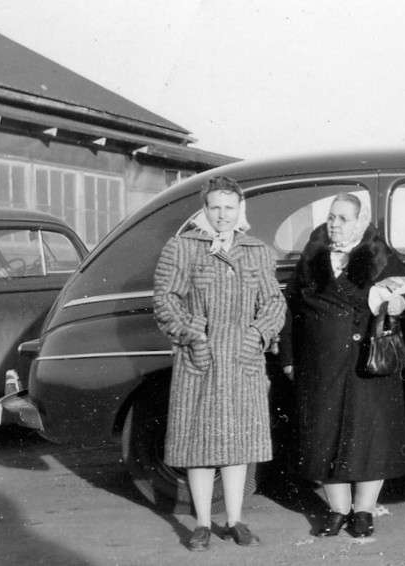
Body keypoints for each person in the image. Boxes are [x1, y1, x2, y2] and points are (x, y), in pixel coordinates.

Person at [152, 175, 287, 551]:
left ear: (240, 209)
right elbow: (165, 300)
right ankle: (200, 523)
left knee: (238, 444)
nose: (222, 215)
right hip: (200, 360)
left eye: (230, 207)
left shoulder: (256, 250)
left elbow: (275, 302)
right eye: (215, 207)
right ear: (205, 209)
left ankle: (235, 520)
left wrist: (256, 335)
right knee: (198, 445)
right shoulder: (182, 247)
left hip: (242, 362)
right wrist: (191, 335)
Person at [278, 193, 405, 539]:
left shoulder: (379, 254)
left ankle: (363, 512)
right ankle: (338, 510)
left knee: (370, 439)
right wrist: (288, 358)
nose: (335, 225)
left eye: (343, 218)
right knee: (323, 437)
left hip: (365, 365)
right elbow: (291, 308)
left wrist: (400, 301)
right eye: (331, 217)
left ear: (360, 222)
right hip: (320, 365)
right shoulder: (314, 256)